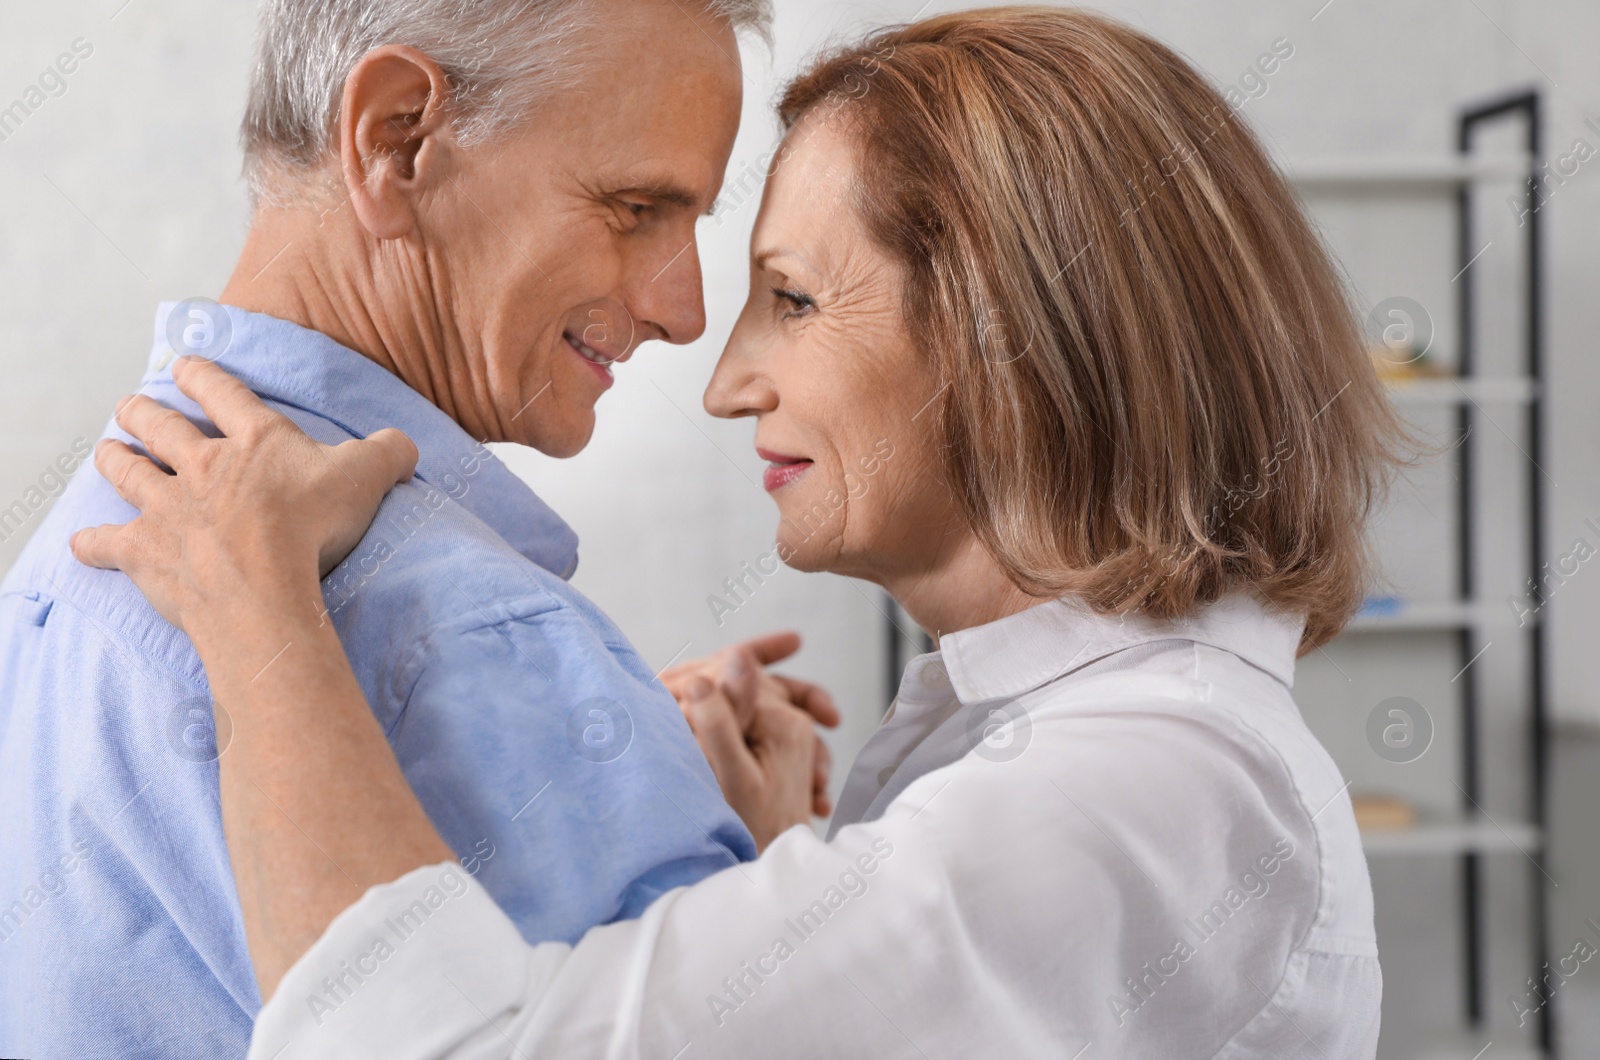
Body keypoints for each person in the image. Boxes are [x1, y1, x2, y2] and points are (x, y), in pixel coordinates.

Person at [76, 7, 1411, 1058]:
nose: (721, 377)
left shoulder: (1159, 794)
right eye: (638, 207)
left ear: (1017, 333)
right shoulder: (1071, 747)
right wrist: (764, 884)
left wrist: (261, 624)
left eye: (791, 296)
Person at [0, 2, 844, 1057]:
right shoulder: (466, 631)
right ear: (395, 139)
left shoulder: (64, 560)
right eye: (635, 208)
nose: (684, 309)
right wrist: (764, 894)